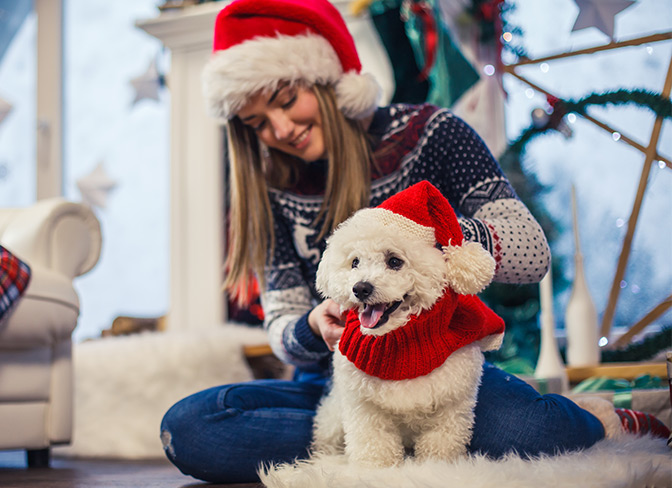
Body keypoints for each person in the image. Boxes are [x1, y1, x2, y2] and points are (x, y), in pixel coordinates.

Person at [159, 0, 666, 483]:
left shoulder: (435, 133)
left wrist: (434, 233)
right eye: (257, 124)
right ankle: (379, 441)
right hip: (337, 383)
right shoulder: (272, 185)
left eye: (287, 101)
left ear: (330, 79)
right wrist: (312, 327)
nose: (281, 129)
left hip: (440, 372)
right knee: (190, 428)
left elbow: (531, 252)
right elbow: (281, 316)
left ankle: (599, 418)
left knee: (527, 431)